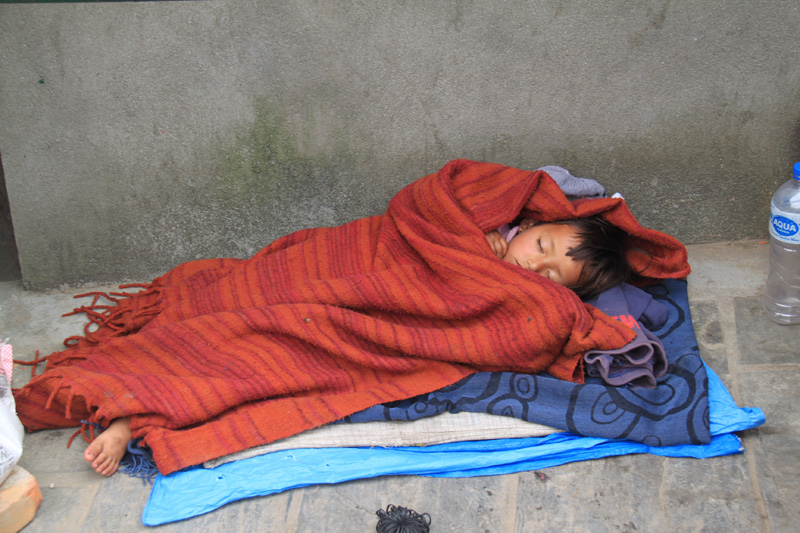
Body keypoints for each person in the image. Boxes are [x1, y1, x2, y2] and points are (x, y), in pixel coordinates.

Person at [83, 216, 633, 476]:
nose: (534, 265)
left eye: (552, 274)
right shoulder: (485, 227)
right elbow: (428, 207)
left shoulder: (526, 302)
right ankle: (131, 399)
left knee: (275, 363)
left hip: (379, 332)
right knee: (247, 312)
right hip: (354, 280)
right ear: (533, 224)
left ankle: (137, 415)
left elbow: (523, 337)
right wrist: (471, 243)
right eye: (542, 244)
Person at [485, 216, 632, 299]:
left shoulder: (515, 296)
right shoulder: (493, 223)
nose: (534, 265)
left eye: (549, 276)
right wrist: (482, 228)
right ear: (529, 224)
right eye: (541, 246)